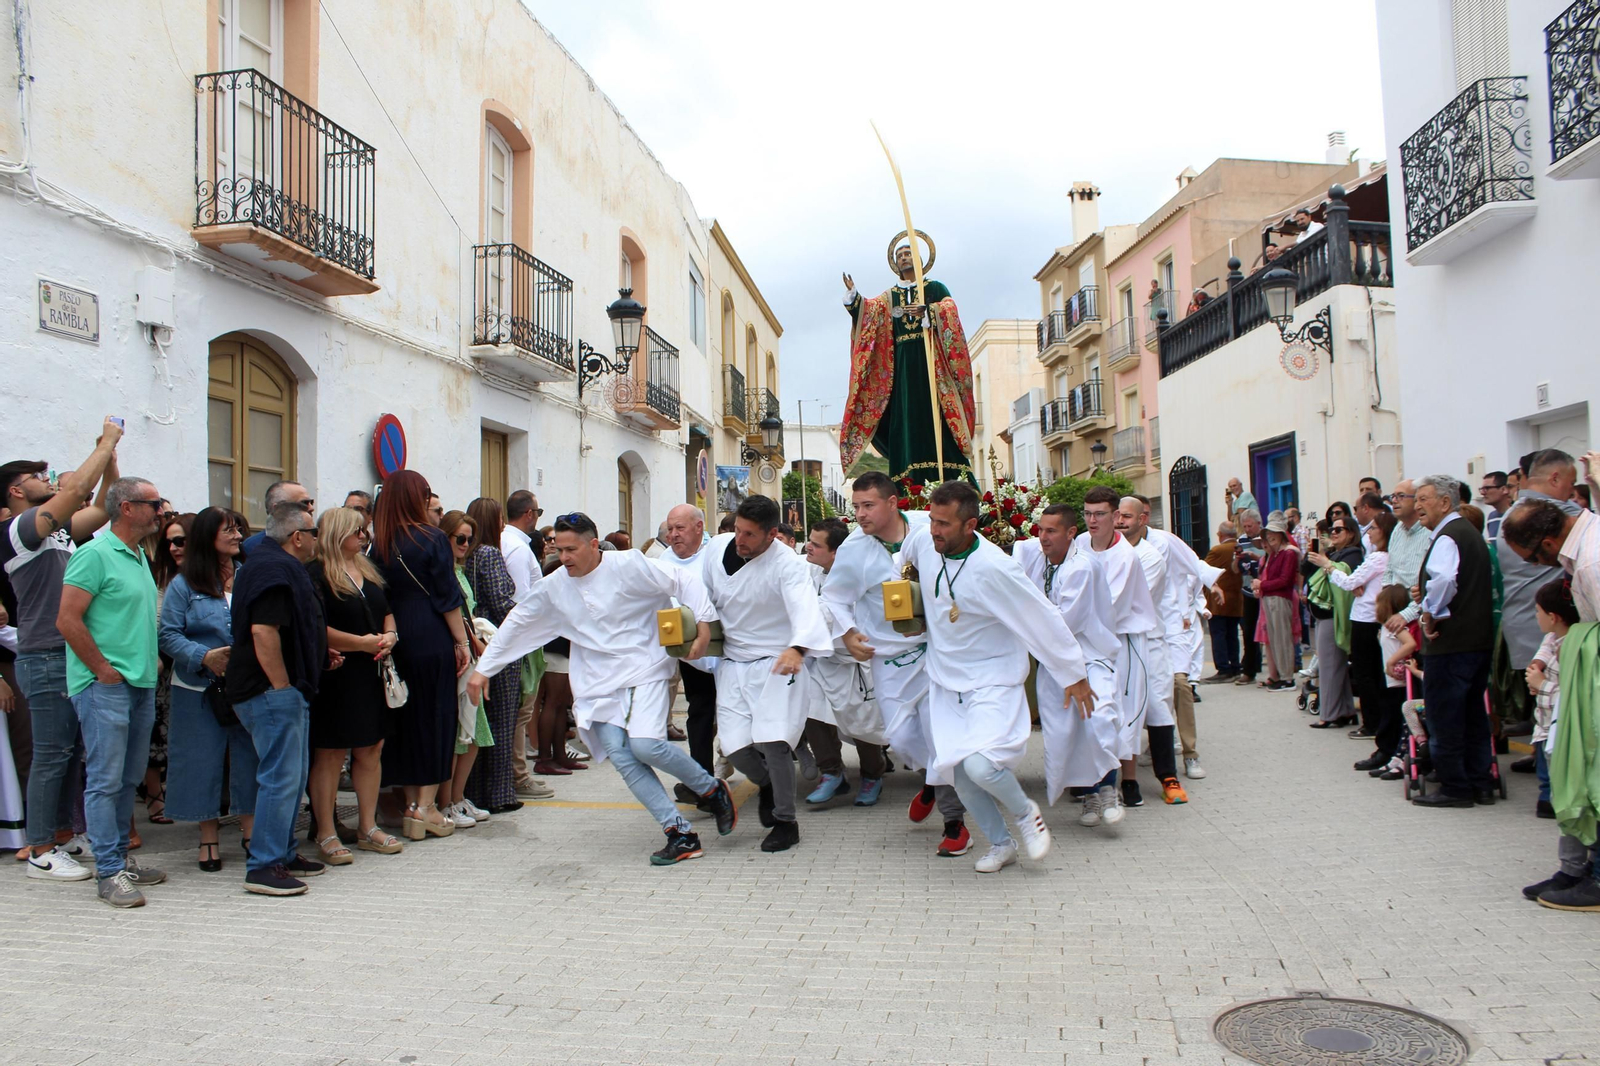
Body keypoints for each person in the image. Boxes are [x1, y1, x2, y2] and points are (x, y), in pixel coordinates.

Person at [467, 512, 737, 865]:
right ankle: (680, 833)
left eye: (571, 549)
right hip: (598, 683)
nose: (563, 558)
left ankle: (711, 789)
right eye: (559, 549)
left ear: (593, 545)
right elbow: (519, 622)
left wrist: (703, 623)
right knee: (622, 756)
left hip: (646, 667)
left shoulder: (629, 564)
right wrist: (483, 670)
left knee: (646, 744)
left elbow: (681, 580)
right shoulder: (555, 585)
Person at [902, 482, 1092, 873]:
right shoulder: (925, 539)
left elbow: (1040, 617)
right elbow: (903, 562)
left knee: (982, 767)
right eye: (932, 520)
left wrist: (1073, 673)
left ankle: (1026, 814)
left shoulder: (995, 568)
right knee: (960, 774)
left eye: (944, 524)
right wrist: (909, 605)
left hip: (992, 679)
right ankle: (1001, 844)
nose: (934, 530)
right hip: (945, 680)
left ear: (970, 524)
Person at [822, 472, 970, 855]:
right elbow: (834, 597)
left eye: (868, 505)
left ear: (893, 503)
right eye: (855, 506)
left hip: (937, 652)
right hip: (888, 661)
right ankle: (934, 781)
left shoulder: (927, 528)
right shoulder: (854, 549)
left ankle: (954, 823)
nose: (859, 514)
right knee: (903, 742)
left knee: (941, 734)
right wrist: (849, 633)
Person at [4, 425, 122, 879]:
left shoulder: (56, 532)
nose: (47, 478)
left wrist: (110, 465)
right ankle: (38, 849)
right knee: (51, 753)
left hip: (67, 653)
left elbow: (100, 509)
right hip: (46, 653)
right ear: (17, 490)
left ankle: (61, 835)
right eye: (37, 475)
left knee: (72, 753)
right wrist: (106, 441)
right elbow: (75, 490)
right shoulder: (17, 530)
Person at [57, 476, 167, 906]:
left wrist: (149, 661)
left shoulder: (138, 554)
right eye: (153, 503)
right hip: (105, 686)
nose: (161, 510)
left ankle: (119, 860)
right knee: (105, 781)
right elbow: (67, 620)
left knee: (126, 779)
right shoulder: (95, 554)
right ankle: (107, 871)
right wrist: (101, 669)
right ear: (126, 508)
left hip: (137, 683)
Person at [701, 495, 834, 853]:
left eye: (748, 534)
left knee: (774, 743)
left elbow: (806, 610)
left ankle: (786, 822)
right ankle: (769, 786)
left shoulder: (787, 565)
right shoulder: (716, 549)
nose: (738, 539)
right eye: (737, 530)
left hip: (778, 662)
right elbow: (701, 595)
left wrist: (798, 647)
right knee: (737, 748)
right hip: (732, 663)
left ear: (772, 534)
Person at [228, 500, 332, 895]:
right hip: (269, 691)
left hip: (281, 689)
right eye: (313, 531)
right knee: (279, 778)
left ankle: (284, 853)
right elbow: (263, 632)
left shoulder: (278, 564)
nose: (317, 539)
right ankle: (264, 866)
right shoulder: (274, 567)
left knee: (292, 777)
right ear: (298, 537)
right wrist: (282, 686)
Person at [1502, 499, 1600, 908]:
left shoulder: (1591, 563)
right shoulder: (1582, 553)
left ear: (1546, 541)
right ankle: (1578, 870)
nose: (1541, 567)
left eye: (1535, 558)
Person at [370, 471, 470, 839]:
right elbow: (447, 597)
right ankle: (424, 807)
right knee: (436, 714)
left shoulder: (377, 542)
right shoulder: (431, 538)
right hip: (430, 632)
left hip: (394, 634)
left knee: (405, 717)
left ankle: (410, 803)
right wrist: (461, 642)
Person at [159, 507, 257, 872]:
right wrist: (203, 656)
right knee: (202, 760)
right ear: (207, 537)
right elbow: (167, 634)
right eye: (228, 530)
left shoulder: (249, 576)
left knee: (249, 756)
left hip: (246, 685)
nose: (236, 536)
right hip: (197, 687)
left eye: (237, 529)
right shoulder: (184, 584)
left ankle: (250, 834)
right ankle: (208, 837)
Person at [1014, 505, 1122, 826]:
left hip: (1089, 658)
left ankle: (1108, 791)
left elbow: (1065, 623)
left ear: (1071, 533)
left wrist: (1024, 625)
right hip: (1055, 661)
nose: (1042, 538)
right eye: (1040, 530)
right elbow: (1013, 555)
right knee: (1066, 730)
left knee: (1099, 719)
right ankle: (1089, 795)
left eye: (1051, 531)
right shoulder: (1039, 556)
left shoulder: (1082, 568)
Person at [305, 506, 403, 863]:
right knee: (330, 752)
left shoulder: (366, 570)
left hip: (372, 670)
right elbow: (316, 626)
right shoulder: (315, 574)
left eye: (364, 531)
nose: (364, 537)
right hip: (337, 672)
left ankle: (367, 825)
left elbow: (386, 609)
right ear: (337, 534)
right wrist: (361, 642)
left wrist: (390, 634)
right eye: (357, 531)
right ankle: (326, 831)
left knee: (371, 748)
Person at [839, 240, 976, 487]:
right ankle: (908, 477)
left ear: (919, 258)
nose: (903, 258)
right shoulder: (891, 296)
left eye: (908, 253)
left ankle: (947, 471)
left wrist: (930, 311)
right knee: (905, 413)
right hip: (902, 366)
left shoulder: (934, 287)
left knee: (935, 408)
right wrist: (854, 297)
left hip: (932, 362)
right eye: (899, 254)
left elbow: (950, 310)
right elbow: (869, 314)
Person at [1410, 475, 1497, 808]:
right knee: (1473, 714)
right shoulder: (1470, 535)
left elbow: (1445, 578)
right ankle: (1480, 782)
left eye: (1424, 499)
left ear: (1445, 502)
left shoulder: (1448, 536)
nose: (1418, 505)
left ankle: (1455, 787)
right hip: (1476, 641)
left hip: (1452, 643)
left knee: (1445, 716)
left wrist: (1430, 611)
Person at [1077, 486, 1166, 809]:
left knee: (1120, 715)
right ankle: (1094, 789)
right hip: (1088, 643)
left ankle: (1113, 787)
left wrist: (1065, 617)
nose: (1092, 520)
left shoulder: (1126, 557)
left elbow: (1106, 607)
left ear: (1115, 517)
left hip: (1123, 644)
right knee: (1090, 715)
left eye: (1099, 514)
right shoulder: (1079, 545)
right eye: (1087, 513)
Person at [800, 517, 888, 808]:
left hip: (855, 663)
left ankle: (872, 776)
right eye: (808, 540)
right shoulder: (809, 572)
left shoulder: (859, 575)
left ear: (836, 552)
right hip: (822, 660)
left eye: (815, 544)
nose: (807, 547)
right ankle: (831, 773)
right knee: (812, 712)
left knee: (863, 724)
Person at [462, 497, 541, 811]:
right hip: (498, 642)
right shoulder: (490, 554)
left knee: (479, 721)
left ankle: (475, 791)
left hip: (475, 641)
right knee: (503, 720)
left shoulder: (466, 555)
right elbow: (501, 600)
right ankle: (500, 794)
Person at [1113, 496, 1192, 802]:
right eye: (1118, 515)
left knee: (1159, 707)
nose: (1121, 521)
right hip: (1117, 643)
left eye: (1128, 517)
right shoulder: (1102, 549)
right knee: (1117, 710)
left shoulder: (1149, 557)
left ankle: (1168, 777)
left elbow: (1127, 600)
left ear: (1142, 520)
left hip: (1149, 641)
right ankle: (1114, 780)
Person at [1311, 512, 1396, 747]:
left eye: (1374, 528)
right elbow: (1355, 581)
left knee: (1366, 674)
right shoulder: (1375, 557)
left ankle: (1372, 722)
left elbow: (1349, 581)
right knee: (1366, 672)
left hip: (1367, 618)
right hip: (1363, 616)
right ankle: (1372, 720)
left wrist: (1329, 566)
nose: (1369, 532)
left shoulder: (1378, 557)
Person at [437, 509, 495, 829]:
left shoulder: (460, 571)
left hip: (472, 656)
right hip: (458, 658)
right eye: (460, 538)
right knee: (459, 733)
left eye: (469, 540)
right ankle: (445, 802)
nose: (465, 544)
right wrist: (473, 643)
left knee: (473, 732)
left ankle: (458, 798)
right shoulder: (443, 573)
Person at [655, 504, 719, 781]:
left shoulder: (716, 556)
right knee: (699, 714)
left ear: (699, 528)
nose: (673, 535)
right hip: (689, 652)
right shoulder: (661, 563)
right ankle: (701, 779)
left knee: (736, 714)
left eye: (679, 528)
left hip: (725, 649)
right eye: (670, 529)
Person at [142, 511, 194, 828]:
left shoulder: (210, 577)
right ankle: (153, 795)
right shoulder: (158, 578)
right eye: (169, 541)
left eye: (181, 540)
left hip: (192, 668)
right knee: (156, 736)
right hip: (161, 667)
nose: (174, 547)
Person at [501, 488, 552, 795]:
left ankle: (514, 772)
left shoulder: (507, 542)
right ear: (530, 514)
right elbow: (520, 601)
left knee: (519, 710)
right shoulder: (518, 549)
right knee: (522, 710)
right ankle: (518, 775)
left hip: (520, 637)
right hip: (523, 638)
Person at [1527, 580, 1577, 822]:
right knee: (1546, 774)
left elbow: (1572, 696)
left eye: (1538, 611)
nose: (1535, 617)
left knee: (1553, 779)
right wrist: (1538, 668)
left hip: (1557, 731)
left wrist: (1541, 685)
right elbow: (1547, 643)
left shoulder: (1571, 649)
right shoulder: (1555, 640)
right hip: (1544, 726)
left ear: (1553, 617)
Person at [1254, 512, 1301, 691]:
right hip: (1270, 598)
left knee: (1282, 638)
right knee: (1274, 639)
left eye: (1273, 535)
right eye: (1268, 535)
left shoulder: (1288, 553)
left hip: (1281, 599)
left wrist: (1263, 584)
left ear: (1281, 534)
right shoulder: (1273, 554)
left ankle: (1287, 677)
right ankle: (1282, 675)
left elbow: (1285, 581)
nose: (1269, 538)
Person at [1202, 522, 1243, 682]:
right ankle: (1235, 666)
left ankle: (1223, 668)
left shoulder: (1217, 550)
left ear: (1220, 535)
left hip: (1218, 600)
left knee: (1218, 634)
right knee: (1232, 634)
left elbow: (1204, 570)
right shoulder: (1239, 548)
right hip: (1235, 599)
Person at [1232, 509, 1265, 686]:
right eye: (1244, 526)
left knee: (1269, 630)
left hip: (1265, 590)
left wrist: (1255, 556)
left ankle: (1279, 671)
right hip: (1247, 590)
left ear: (1258, 524)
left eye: (1250, 526)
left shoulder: (1267, 537)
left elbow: (1271, 559)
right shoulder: (1242, 540)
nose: (1247, 530)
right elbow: (1235, 569)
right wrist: (1237, 560)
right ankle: (1249, 670)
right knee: (1248, 631)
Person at [240, 481, 312, 559]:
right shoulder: (253, 546)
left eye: (311, 502)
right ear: (277, 508)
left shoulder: (316, 542)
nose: (311, 508)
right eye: (304, 503)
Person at [1480, 472, 1511, 540]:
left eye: (1487, 488)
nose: (1482, 493)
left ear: (1503, 489)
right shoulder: (1491, 517)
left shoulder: (1516, 516)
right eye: (1482, 489)